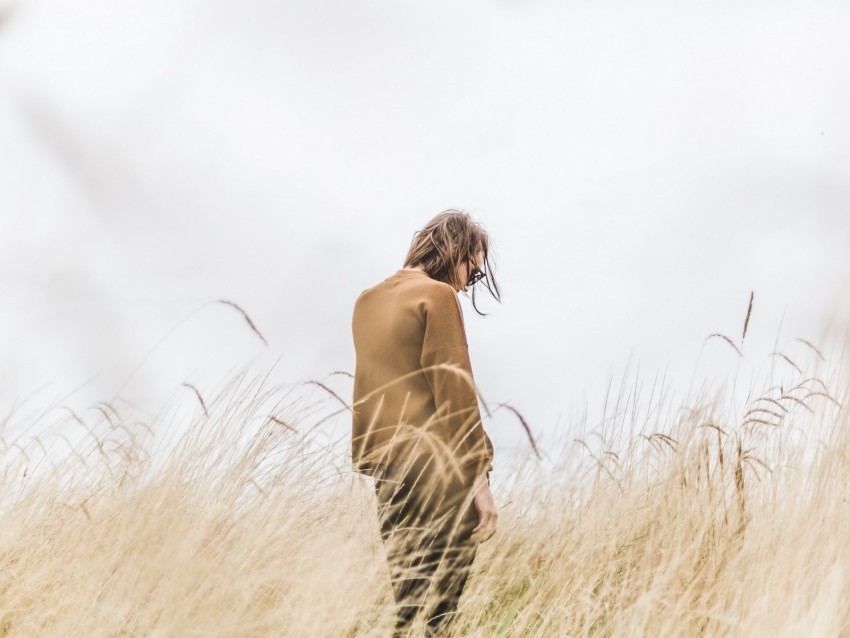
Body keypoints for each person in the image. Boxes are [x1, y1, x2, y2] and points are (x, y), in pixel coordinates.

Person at [351, 210, 500, 637]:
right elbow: (454, 392)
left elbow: (369, 393)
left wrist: (376, 463)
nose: (465, 283)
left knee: (407, 603)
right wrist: (480, 480)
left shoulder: (366, 301)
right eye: (471, 270)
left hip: (389, 473)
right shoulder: (436, 296)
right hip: (440, 470)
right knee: (441, 615)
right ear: (453, 250)